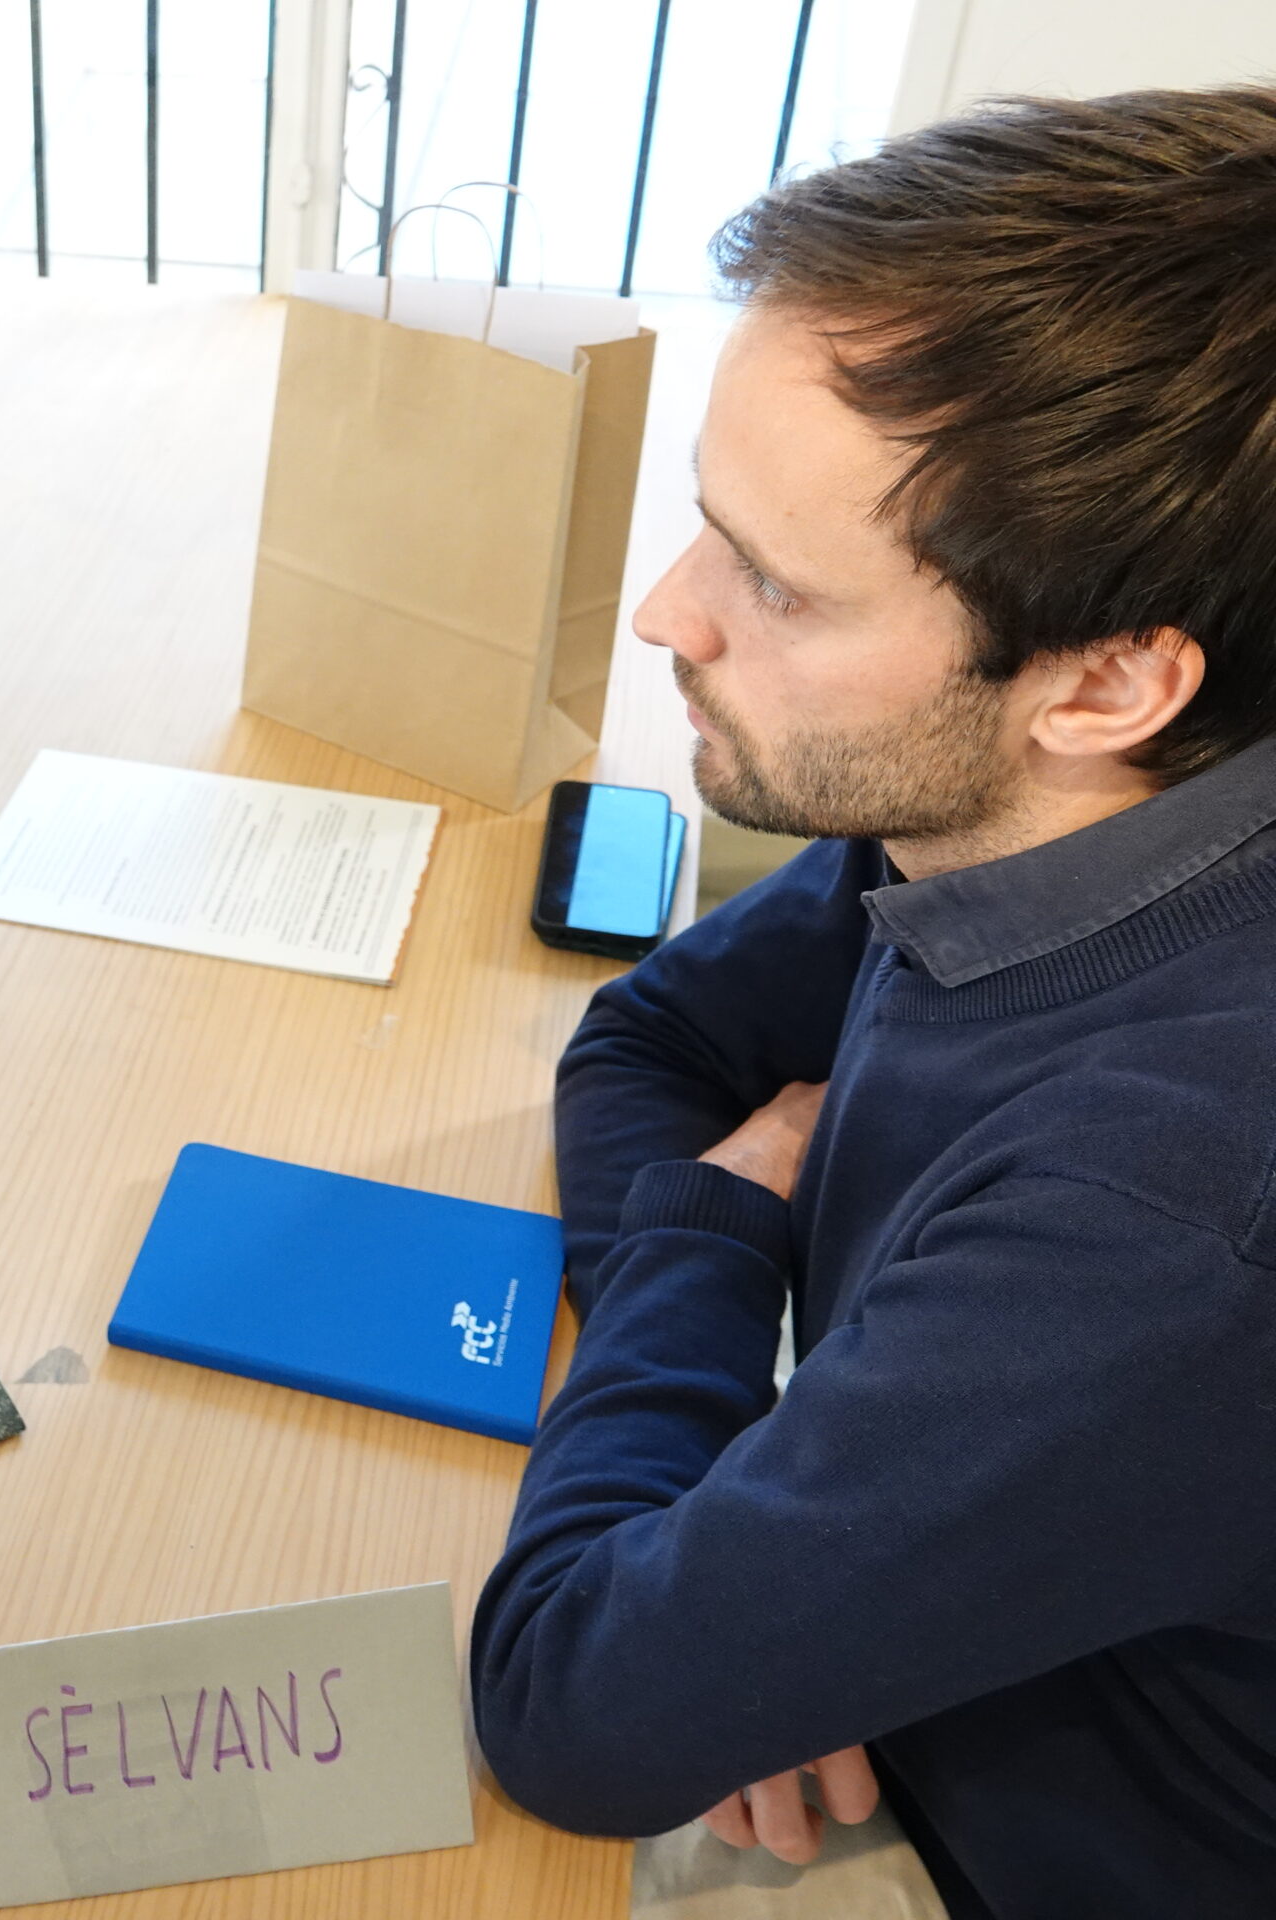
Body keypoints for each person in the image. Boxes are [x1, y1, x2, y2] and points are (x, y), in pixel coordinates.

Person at [470, 88, 1276, 1919]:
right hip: (934, 1602)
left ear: (1105, 683)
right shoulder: (1003, 810)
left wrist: (713, 1245)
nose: (669, 616)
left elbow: (571, 1713)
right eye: (709, 527)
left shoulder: (1171, 1215)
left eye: (774, 580)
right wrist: (785, 1579)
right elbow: (652, 1042)